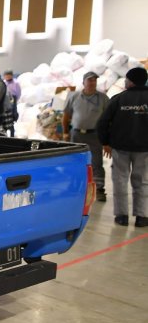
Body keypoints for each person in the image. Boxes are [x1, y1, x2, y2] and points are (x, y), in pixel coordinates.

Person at [97, 67, 148, 228]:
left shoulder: (119, 98)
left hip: (120, 148)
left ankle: (122, 216)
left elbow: (102, 122)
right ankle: (142, 216)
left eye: (126, 79)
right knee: (143, 182)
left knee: (120, 180)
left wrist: (105, 142)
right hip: (144, 149)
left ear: (131, 81)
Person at [62, 71, 110, 202]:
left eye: (94, 80)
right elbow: (66, 115)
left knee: (96, 162)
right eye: (89, 80)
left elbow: (108, 118)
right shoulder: (74, 96)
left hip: (94, 135)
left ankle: (99, 189)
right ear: (83, 82)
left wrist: (107, 139)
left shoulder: (103, 98)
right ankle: (74, 186)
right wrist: (65, 132)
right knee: (75, 160)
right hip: (76, 134)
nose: (92, 83)